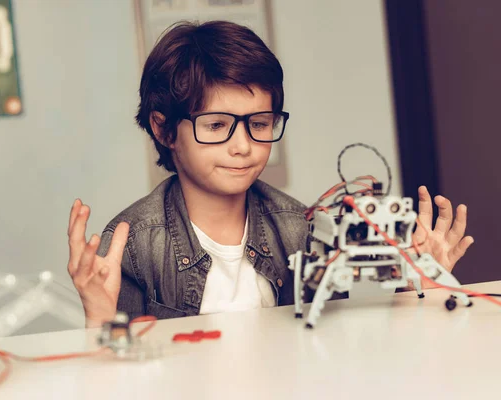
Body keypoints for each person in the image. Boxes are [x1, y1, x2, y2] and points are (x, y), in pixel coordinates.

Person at [66, 21, 474, 328]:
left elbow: (333, 347)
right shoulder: (134, 243)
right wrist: (100, 319)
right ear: (164, 129)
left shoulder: (302, 228)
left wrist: (418, 285)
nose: (243, 145)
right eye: (216, 125)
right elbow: (117, 375)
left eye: (259, 124)